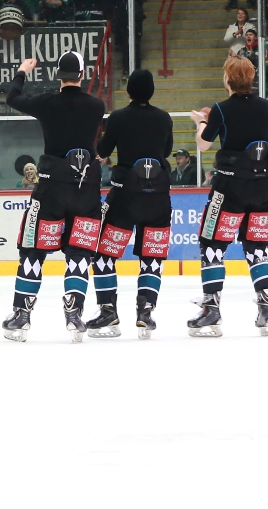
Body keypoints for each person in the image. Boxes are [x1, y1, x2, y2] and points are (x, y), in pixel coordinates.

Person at [2, 50, 106, 343]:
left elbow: (13, 98)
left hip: (51, 187)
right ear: (82, 75)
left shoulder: (47, 102)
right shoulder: (97, 105)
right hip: (86, 189)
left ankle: (21, 316)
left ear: (58, 75)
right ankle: (74, 314)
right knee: (79, 251)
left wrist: (22, 71)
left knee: (34, 249)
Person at [188, 56, 268, 337]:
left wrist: (201, 122)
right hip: (263, 186)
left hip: (230, 186)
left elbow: (204, 143)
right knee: (258, 245)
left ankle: (211, 307)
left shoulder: (221, 109)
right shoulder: (265, 106)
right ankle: (266, 307)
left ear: (228, 78)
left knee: (212, 242)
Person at [89, 70, 175, 339]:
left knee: (104, 253)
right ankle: (145, 311)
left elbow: (103, 151)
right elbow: (166, 151)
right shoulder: (164, 118)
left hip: (125, 197)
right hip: (158, 198)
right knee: (152, 255)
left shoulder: (118, 117)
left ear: (128, 92)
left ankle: (108, 310)